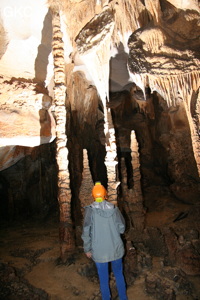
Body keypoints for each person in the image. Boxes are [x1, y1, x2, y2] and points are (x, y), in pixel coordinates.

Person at [81, 181, 128, 300]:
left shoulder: (90, 211)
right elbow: (122, 228)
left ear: (92, 195)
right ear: (105, 194)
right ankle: (123, 298)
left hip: (99, 251)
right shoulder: (113, 208)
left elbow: (86, 232)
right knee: (118, 274)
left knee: (103, 279)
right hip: (115, 249)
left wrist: (87, 248)